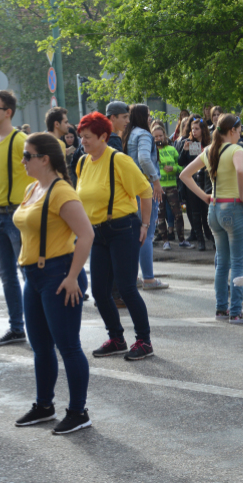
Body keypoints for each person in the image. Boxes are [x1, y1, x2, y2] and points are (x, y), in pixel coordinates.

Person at [13, 132, 94, 433]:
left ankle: (78, 412)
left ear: (44, 159)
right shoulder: (34, 187)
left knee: (68, 346)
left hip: (58, 274)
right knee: (41, 346)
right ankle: (44, 405)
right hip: (33, 275)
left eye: (27, 155)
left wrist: (73, 277)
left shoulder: (61, 191)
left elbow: (86, 235)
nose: (22, 160)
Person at [76, 112, 155, 361]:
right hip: (96, 231)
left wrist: (144, 224)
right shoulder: (83, 162)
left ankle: (144, 341)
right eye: (81, 137)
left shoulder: (118, 160)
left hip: (123, 228)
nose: (83, 142)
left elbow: (145, 190)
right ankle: (117, 338)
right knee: (100, 291)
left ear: (103, 136)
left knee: (126, 288)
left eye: (87, 137)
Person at [181, 114, 243, 323]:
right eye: (239, 131)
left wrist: (204, 196)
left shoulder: (209, 150)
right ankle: (236, 311)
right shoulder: (236, 149)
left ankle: (221, 309)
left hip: (215, 208)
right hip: (234, 208)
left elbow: (185, 174)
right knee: (238, 262)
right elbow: (240, 170)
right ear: (232, 131)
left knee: (222, 262)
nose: (240, 135)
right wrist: (242, 194)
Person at [0, 90, 35, 347]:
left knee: (28, 273)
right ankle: (17, 328)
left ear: (8, 112)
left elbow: (38, 174)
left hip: (17, 214)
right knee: (7, 276)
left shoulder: (20, 140)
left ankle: (39, 325)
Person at [122, 104, 167, 289]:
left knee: (134, 235)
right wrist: (155, 181)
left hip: (129, 189)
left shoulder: (128, 134)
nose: (150, 118)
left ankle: (135, 277)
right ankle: (149, 278)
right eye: (148, 115)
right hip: (144, 189)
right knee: (146, 233)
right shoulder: (143, 134)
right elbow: (144, 159)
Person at [178, 116, 215, 250]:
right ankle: (200, 240)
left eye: (197, 129)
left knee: (206, 210)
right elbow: (181, 162)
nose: (194, 131)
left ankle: (209, 236)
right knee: (195, 212)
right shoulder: (189, 143)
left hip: (206, 181)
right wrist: (185, 150)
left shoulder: (209, 145)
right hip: (192, 181)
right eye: (192, 129)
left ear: (203, 130)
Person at [152, 125, 188, 249]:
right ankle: (165, 241)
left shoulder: (172, 149)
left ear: (165, 135)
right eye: (155, 136)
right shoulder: (151, 151)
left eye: (160, 136)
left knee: (178, 214)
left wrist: (173, 169)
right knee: (160, 215)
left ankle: (182, 239)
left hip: (172, 186)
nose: (158, 138)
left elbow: (181, 166)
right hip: (158, 188)